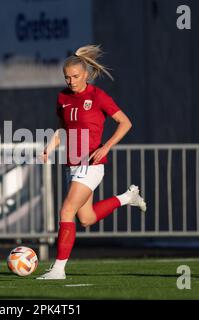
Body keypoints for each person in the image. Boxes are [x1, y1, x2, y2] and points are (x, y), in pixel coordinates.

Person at [36, 45, 146, 280]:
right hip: (72, 165)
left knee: (66, 210)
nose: (71, 81)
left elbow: (125, 123)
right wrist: (49, 148)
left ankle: (58, 270)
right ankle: (128, 197)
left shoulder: (98, 96)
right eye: (67, 77)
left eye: (75, 76)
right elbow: (63, 129)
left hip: (92, 165)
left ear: (85, 74)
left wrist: (106, 146)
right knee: (85, 218)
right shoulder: (62, 97)